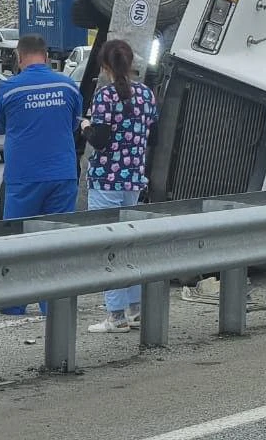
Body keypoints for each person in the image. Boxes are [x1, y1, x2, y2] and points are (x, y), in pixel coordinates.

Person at [0, 34, 82, 315]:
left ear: (20, 58)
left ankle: (15, 304)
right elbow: (75, 123)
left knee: (18, 242)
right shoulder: (67, 86)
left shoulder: (9, 88)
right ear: (46, 56)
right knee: (55, 242)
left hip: (24, 177)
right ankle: (52, 305)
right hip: (62, 174)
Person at [79, 40, 159, 332]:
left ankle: (115, 315)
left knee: (108, 246)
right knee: (128, 244)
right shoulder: (146, 94)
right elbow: (153, 137)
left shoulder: (104, 96)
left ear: (106, 66)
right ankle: (135, 308)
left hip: (106, 180)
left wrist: (85, 125)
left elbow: (100, 140)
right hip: (133, 179)